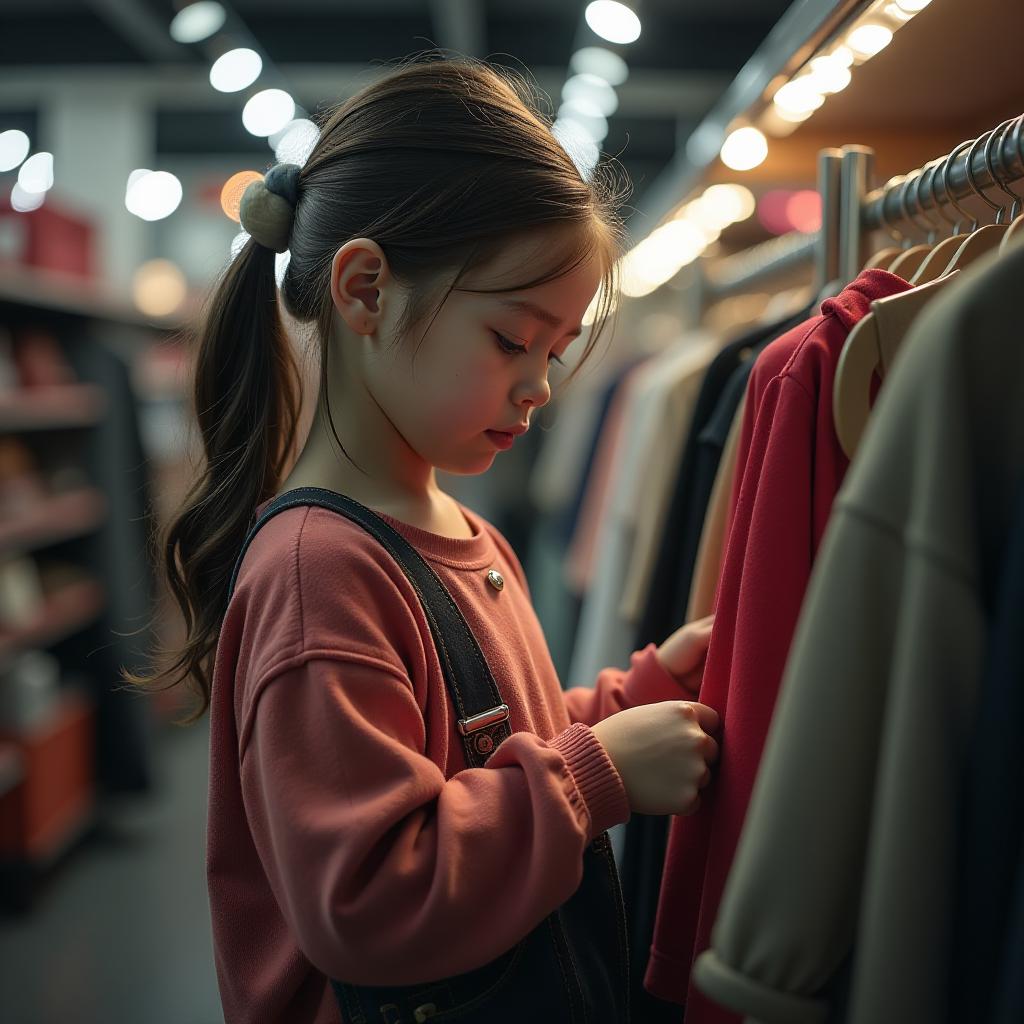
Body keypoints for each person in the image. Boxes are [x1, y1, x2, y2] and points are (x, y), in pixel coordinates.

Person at [127, 53, 720, 1023]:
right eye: (510, 340)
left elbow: (481, 748)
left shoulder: (460, 530)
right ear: (365, 292)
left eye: (556, 351)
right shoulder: (323, 574)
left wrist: (634, 697)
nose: (540, 386)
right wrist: (596, 773)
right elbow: (369, 896)